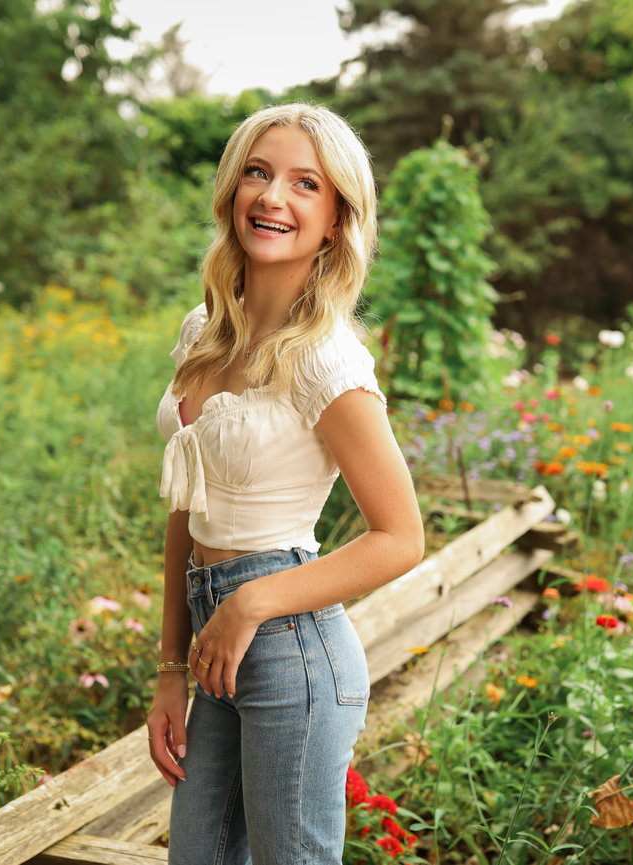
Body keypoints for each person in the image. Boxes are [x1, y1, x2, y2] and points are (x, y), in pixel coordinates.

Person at [145, 103, 424, 865]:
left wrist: (251, 601)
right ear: (232, 189)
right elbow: (187, 504)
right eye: (258, 173)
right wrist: (170, 668)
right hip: (216, 643)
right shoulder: (203, 331)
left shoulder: (325, 359)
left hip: (290, 650)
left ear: (335, 221)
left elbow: (402, 537)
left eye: (306, 184)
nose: (273, 197)